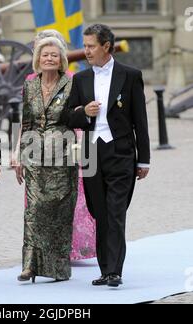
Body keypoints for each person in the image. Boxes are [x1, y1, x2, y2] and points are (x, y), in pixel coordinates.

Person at [61, 24, 150, 287]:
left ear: (107, 47)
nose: (85, 51)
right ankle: (105, 269)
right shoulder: (81, 79)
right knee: (99, 212)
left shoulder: (130, 75)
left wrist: (143, 159)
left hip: (121, 152)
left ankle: (114, 271)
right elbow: (67, 117)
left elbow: (141, 121)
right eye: (85, 45)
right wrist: (83, 113)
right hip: (90, 153)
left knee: (115, 211)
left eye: (90, 46)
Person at [15, 36, 78, 282]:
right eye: (45, 55)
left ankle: (58, 268)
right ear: (37, 59)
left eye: (53, 55)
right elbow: (26, 121)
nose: (49, 58)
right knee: (33, 211)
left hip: (63, 156)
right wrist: (19, 155)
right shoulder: (29, 86)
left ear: (61, 59)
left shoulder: (72, 84)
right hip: (33, 156)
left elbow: (78, 118)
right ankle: (29, 266)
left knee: (59, 212)